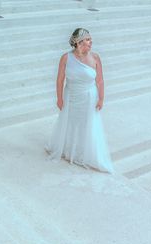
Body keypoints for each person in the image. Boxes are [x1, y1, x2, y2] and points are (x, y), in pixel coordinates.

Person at [45, 28, 114, 173]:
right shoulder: (66, 58)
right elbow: (60, 80)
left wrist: (101, 98)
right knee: (70, 122)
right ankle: (69, 149)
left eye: (90, 39)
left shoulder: (95, 58)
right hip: (71, 96)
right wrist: (59, 98)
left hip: (89, 97)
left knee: (86, 123)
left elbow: (100, 80)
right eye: (88, 39)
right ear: (78, 42)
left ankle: (84, 152)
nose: (91, 42)